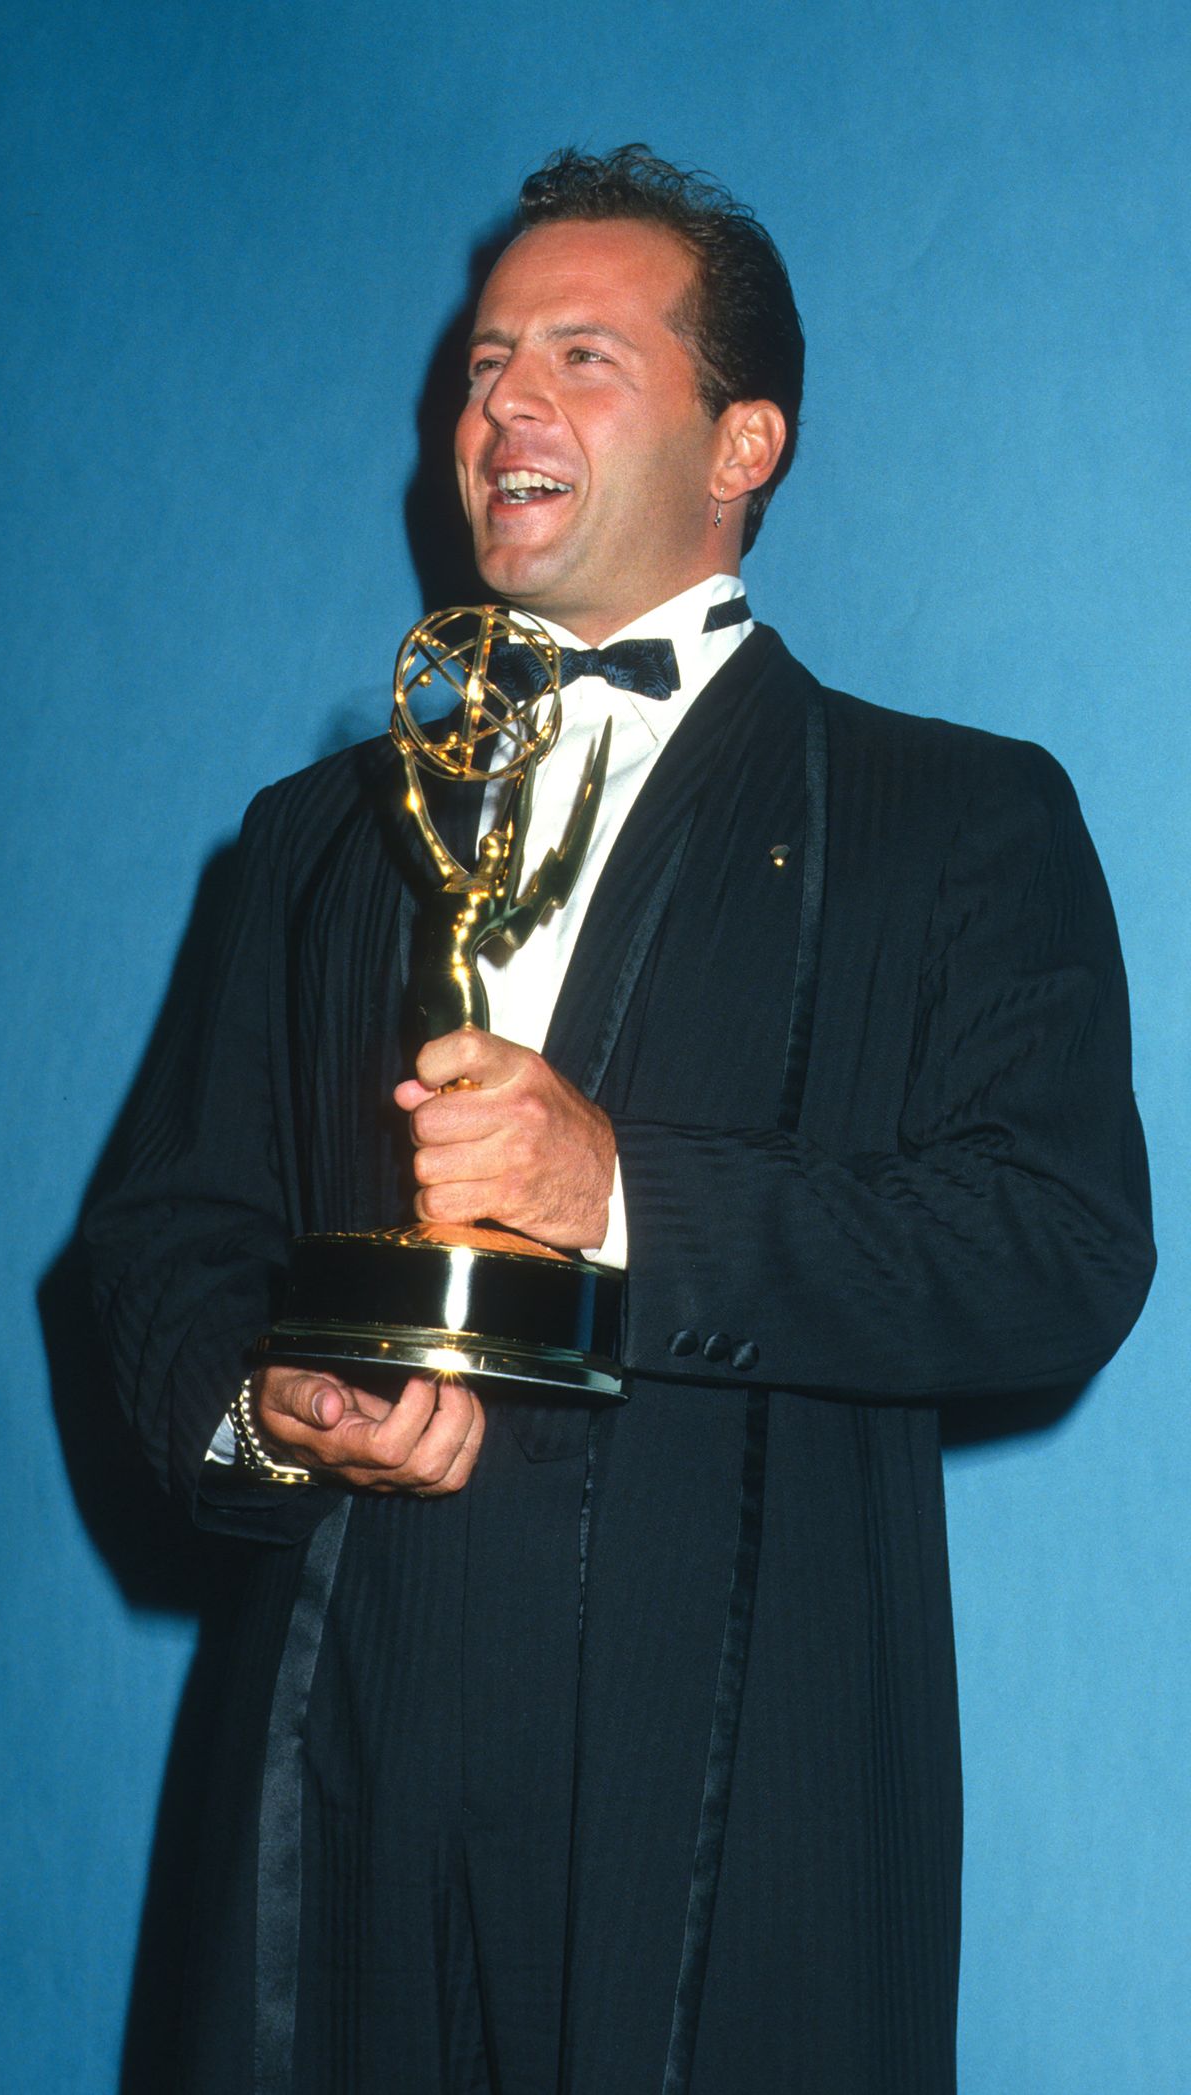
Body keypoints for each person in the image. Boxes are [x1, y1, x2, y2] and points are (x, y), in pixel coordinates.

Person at [87, 146, 1155, 2095]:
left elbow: (1056, 1249)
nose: (502, 403)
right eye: (487, 360)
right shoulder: (313, 841)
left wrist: (624, 1196)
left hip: (743, 1814)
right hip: (342, 1778)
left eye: (585, 355)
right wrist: (262, 1406)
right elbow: (160, 1244)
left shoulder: (961, 820)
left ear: (748, 440)